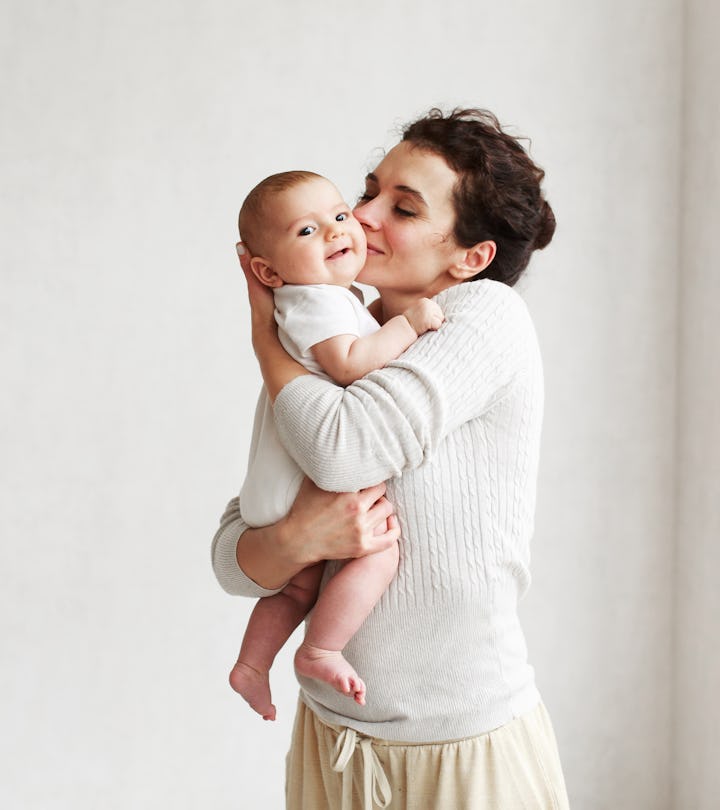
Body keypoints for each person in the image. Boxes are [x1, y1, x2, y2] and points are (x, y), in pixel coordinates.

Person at [212, 108, 570, 809]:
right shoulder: (341, 333)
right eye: (368, 190)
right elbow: (233, 553)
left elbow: (344, 454)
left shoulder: (485, 319)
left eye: (401, 207)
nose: (361, 215)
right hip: (337, 743)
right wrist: (292, 541)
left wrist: (266, 343)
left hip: (463, 748)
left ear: (470, 258)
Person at [230, 171, 444, 721]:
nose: (337, 230)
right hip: (304, 484)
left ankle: (252, 665)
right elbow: (350, 367)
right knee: (383, 551)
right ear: (267, 271)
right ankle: (321, 648)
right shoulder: (317, 302)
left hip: (279, 493)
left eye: (339, 215)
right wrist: (411, 325)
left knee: (296, 588)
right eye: (307, 230)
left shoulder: (325, 301)